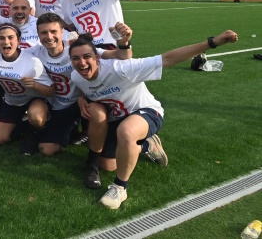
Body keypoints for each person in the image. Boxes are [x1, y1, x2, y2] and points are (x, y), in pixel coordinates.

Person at [69, 30, 239, 209]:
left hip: (146, 112)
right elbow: (85, 88)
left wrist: (214, 42)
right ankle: (148, 145)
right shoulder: (76, 76)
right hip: (118, 118)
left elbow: (167, 59)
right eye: (75, 59)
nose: (82, 63)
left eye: (87, 57)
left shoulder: (121, 69)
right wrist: (81, 98)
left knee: (126, 132)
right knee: (108, 164)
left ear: (97, 58)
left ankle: (120, 188)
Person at [26, 13, 132, 157]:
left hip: (80, 101)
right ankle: (71, 128)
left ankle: (94, 157)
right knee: (47, 149)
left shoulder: (76, 49)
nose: (49, 37)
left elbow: (121, 56)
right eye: (44, 32)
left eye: (53, 31)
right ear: (38, 34)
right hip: (57, 105)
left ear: (63, 32)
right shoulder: (35, 52)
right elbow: (12, 54)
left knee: (98, 113)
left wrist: (123, 42)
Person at [0, 24, 54, 155]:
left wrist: (35, 85)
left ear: (19, 40)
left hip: (35, 100)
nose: (6, 42)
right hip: (12, 101)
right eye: (1, 38)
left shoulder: (32, 62)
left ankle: (33, 135)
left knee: (35, 115)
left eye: (10, 37)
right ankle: (25, 124)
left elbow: (51, 91)